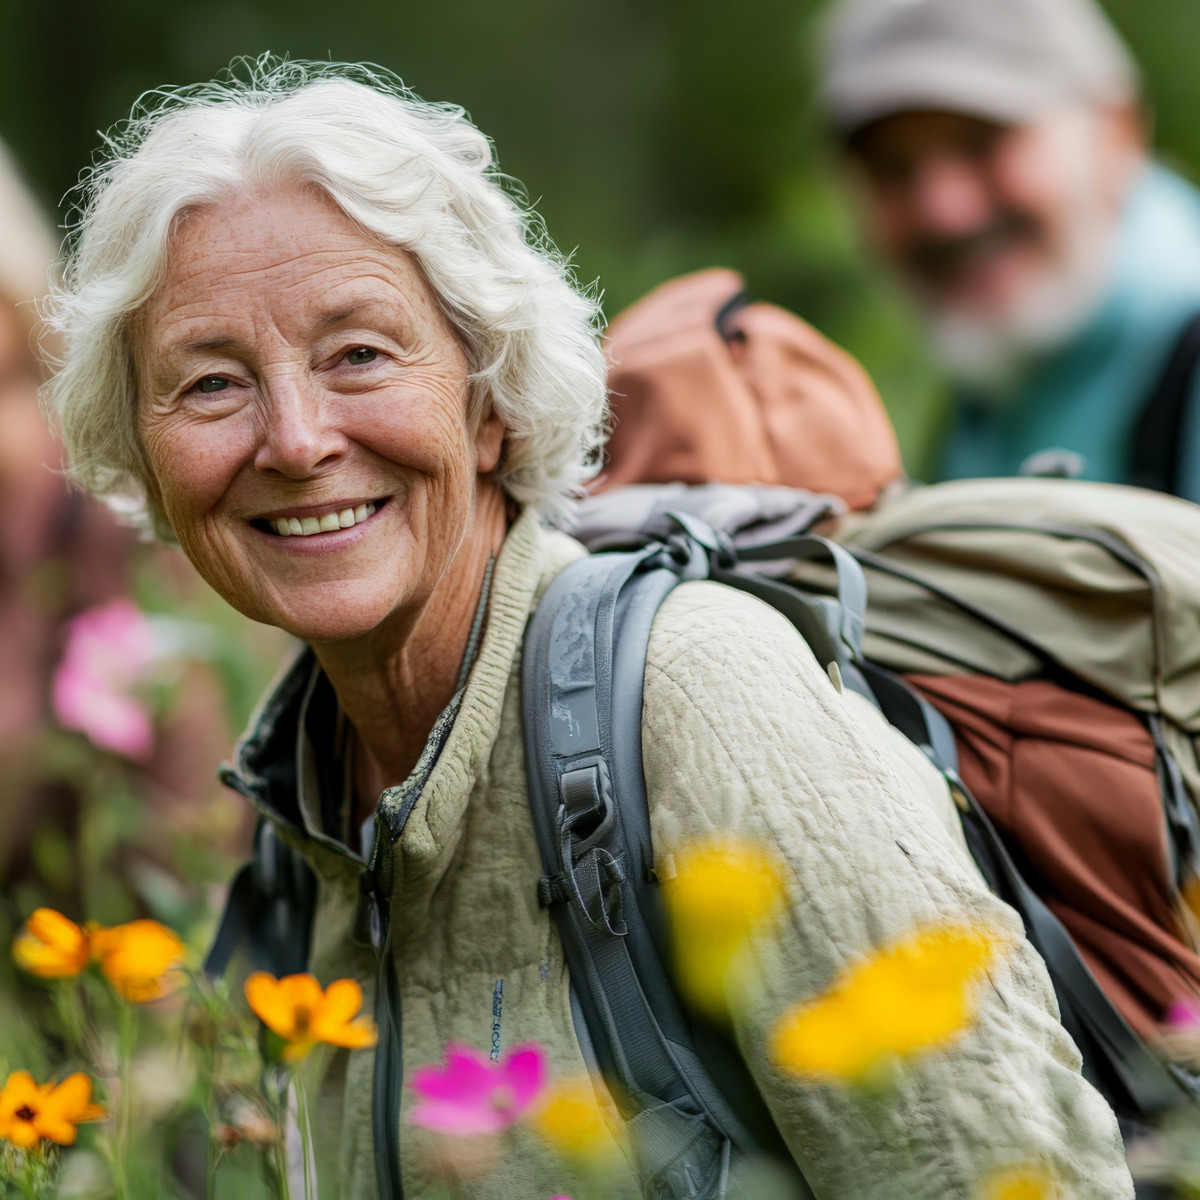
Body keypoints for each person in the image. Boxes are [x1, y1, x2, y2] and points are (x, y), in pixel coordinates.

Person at [44, 60, 1134, 1198]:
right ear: (147, 461)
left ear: (489, 399)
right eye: (211, 384)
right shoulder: (298, 818)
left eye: (359, 353)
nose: (296, 438)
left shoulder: (698, 697)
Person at [820, 0, 1200, 497]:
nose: (943, 212)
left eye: (982, 142)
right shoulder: (988, 392)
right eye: (892, 169)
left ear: (1117, 132)